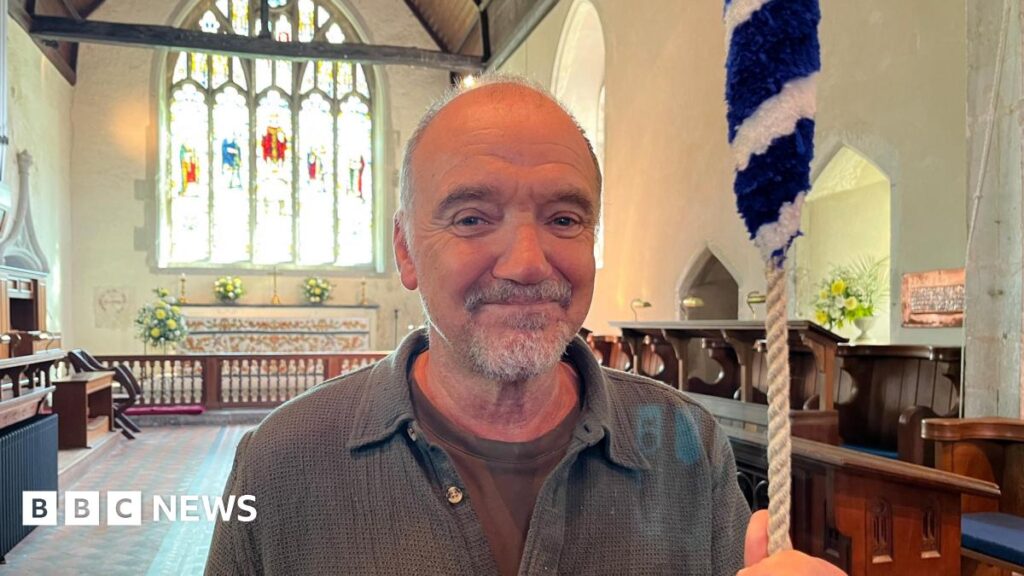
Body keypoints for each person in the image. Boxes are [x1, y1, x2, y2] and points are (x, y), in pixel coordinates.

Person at [205, 75, 843, 576]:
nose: (528, 264)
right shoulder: (284, 459)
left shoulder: (685, 445)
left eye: (564, 220)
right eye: (472, 219)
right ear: (405, 250)